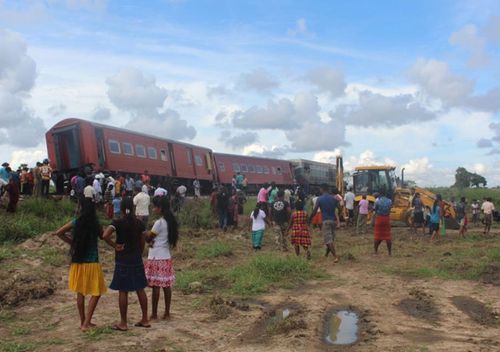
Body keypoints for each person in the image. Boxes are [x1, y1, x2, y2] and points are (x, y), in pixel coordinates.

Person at [52, 199, 106, 331]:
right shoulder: (96, 224)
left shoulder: (76, 221)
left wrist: (73, 243)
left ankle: (83, 321)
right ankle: (87, 322)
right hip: (92, 262)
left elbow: (59, 232)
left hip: (77, 262)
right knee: (97, 292)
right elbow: (104, 236)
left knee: (80, 293)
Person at [103, 197, 150, 331]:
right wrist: (139, 252)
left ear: (122, 208)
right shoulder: (139, 223)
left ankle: (123, 322)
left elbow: (105, 235)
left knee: (123, 290)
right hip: (136, 258)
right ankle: (145, 319)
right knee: (140, 288)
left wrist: (115, 245)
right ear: (133, 207)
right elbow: (144, 240)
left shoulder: (117, 222)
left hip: (122, 259)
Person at [144, 196, 179, 321]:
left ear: (160, 208)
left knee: (155, 286)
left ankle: (154, 313)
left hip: (156, 256)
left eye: (155, 207)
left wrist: (145, 234)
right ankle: (167, 312)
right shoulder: (170, 222)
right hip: (165, 256)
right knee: (166, 285)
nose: (154, 209)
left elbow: (149, 238)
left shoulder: (158, 223)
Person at [310, 184, 340, 262]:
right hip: (333, 221)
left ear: (322, 189)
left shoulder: (320, 199)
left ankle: (335, 256)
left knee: (328, 240)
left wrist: (310, 218)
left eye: (320, 189)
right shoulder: (334, 198)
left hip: (325, 221)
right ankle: (326, 254)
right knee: (330, 239)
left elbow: (315, 210)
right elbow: (339, 208)